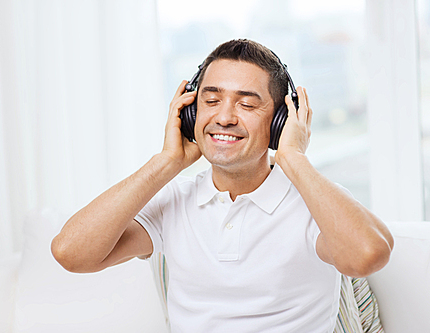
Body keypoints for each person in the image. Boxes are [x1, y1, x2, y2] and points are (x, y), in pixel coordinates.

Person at [51, 39, 394, 332]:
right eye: (211, 101)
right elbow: (71, 253)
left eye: (247, 103)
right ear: (189, 114)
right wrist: (166, 162)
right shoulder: (173, 202)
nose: (225, 117)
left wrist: (293, 157)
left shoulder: (313, 205)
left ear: (280, 121)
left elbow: (367, 255)